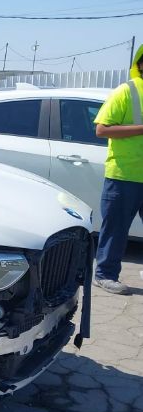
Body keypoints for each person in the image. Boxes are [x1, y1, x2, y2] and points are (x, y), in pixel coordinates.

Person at [92, 44, 143, 295]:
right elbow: (102, 129)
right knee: (116, 229)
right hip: (124, 175)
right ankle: (105, 275)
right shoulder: (126, 91)